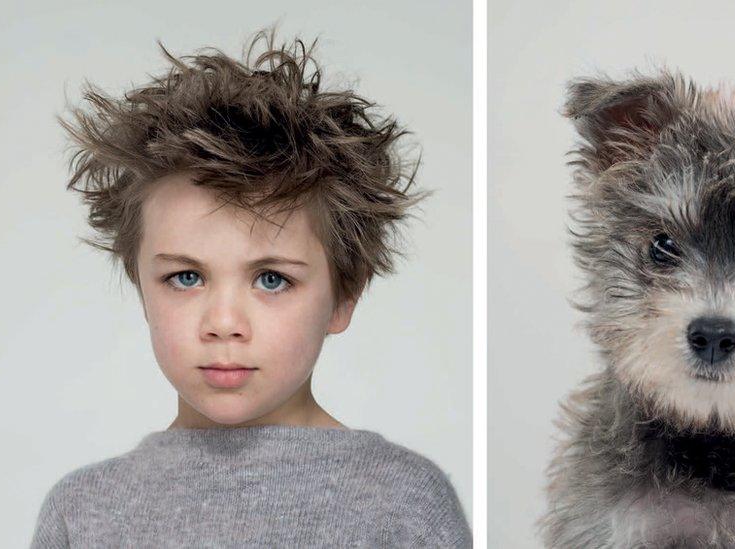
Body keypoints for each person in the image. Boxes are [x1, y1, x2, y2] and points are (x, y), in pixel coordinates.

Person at [30, 28, 471, 548]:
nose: (223, 324)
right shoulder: (82, 511)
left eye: (271, 279)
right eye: (185, 278)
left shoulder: (403, 502)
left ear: (344, 295)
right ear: (141, 289)